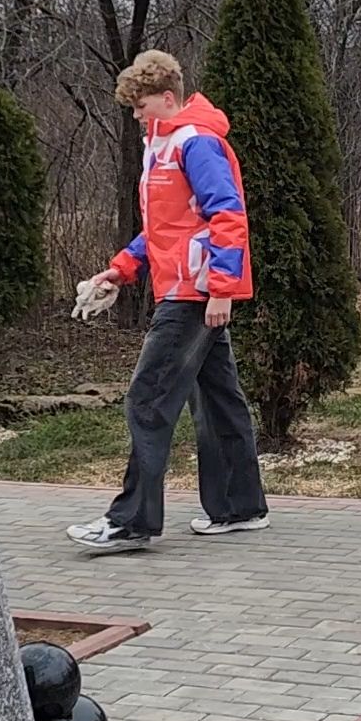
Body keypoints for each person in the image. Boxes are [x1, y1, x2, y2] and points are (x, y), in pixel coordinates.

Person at [67, 50, 269, 552]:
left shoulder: (195, 143)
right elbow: (163, 231)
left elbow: (227, 214)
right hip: (189, 288)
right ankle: (239, 507)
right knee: (219, 401)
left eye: (140, 106)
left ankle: (132, 521)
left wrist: (221, 289)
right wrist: (120, 270)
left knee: (149, 399)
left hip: (191, 295)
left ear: (166, 97)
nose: (135, 115)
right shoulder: (161, 149)